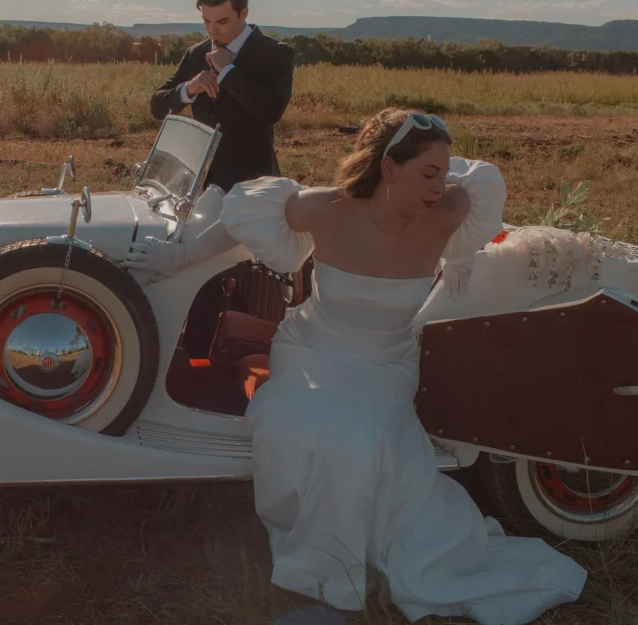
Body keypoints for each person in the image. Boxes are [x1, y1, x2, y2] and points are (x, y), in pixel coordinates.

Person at [124, 107, 588, 625]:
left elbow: (473, 190)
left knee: (361, 439)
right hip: (312, 348)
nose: (441, 185)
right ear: (389, 168)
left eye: (444, 173)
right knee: (293, 426)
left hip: (387, 360)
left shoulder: (451, 206)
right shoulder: (328, 208)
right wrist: (176, 258)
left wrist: (460, 255)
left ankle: (329, 588)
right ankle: (324, 580)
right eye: (428, 174)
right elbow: (236, 221)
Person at [149, 0, 295, 195]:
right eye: (206, 21)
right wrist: (190, 88)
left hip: (254, 188)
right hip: (201, 188)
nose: (212, 29)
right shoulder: (196, 53)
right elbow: (157, 106)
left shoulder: (275, 53)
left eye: (222, 21)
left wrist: (228, 71)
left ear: (243, 13)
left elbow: (271, 111)